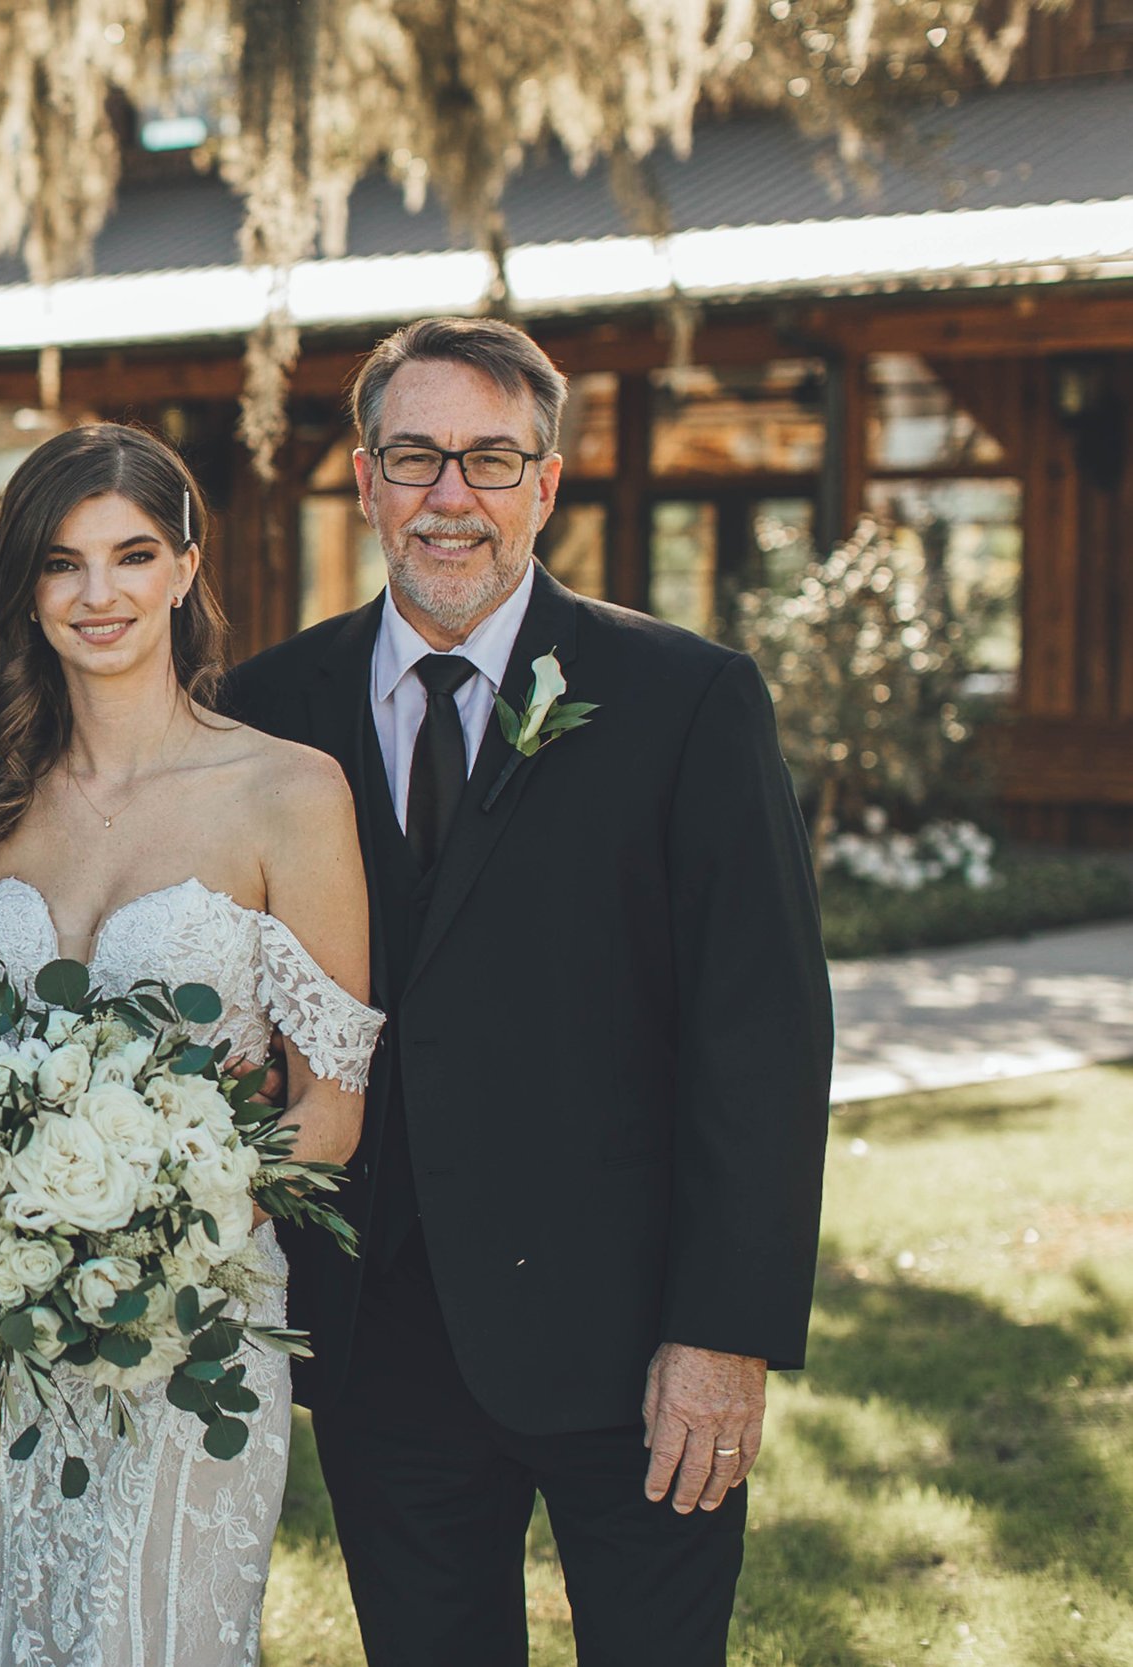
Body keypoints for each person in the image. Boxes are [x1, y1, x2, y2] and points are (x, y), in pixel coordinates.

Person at [225, 316, 834, 1666]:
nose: (453, 497)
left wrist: (722, 1331)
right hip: (385, 1341)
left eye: (491, 459)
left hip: (636, 1344)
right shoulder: (268, 708)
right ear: (370, 478)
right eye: (417, 456)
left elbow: (764, 1034)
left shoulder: (688, 700)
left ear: (546, 484)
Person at [0, 422, 384, 1665]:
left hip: (196, 1323)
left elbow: (331, 1105)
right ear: (26, 586)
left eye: (132, 555)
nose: (98, 594)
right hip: (11, 1329)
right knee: (29, 1624)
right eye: (62, 562)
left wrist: (160, 1238)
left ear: (187, 567)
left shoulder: (289, 791)